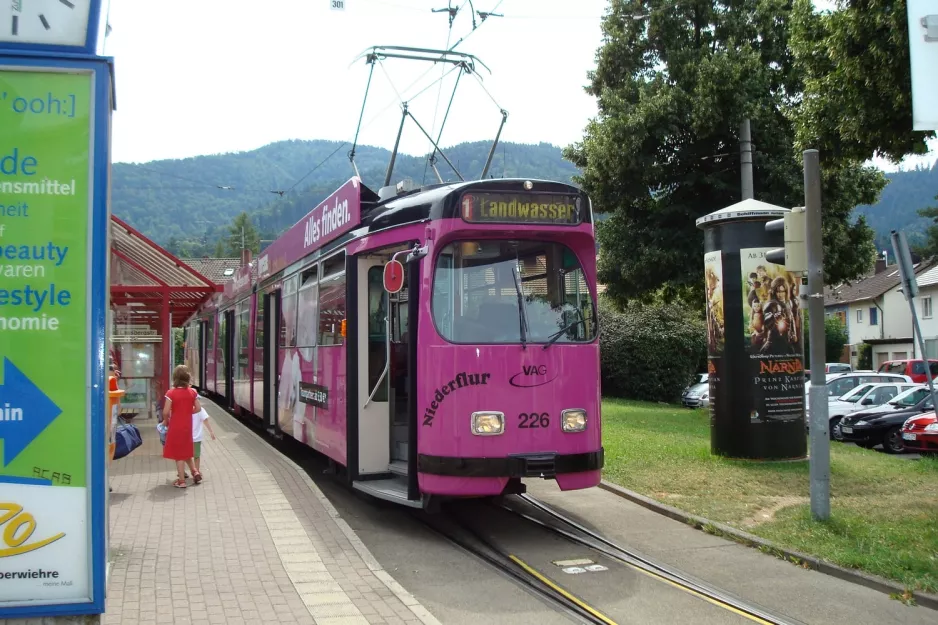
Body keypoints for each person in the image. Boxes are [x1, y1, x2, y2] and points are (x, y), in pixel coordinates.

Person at [162, 365, 201, 488]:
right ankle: (195, 471)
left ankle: (182, 481)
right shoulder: (192, 392)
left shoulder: (171, 393)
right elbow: (198, 408)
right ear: (187, 378)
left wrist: (165, 421)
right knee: (185, 450)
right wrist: (189, 412)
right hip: (187, 427)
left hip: (175, 426)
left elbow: (165, 411)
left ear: (175, 378)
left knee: (179, 454)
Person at [191, 406, 216, 483]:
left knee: (186, 456)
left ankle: (191, 471)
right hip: (197, 437)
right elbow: (205, 420)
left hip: (186, 437)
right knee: (196, 456)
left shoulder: (184, 407)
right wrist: (211, 431)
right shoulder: (200, 409)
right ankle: (196, 472)